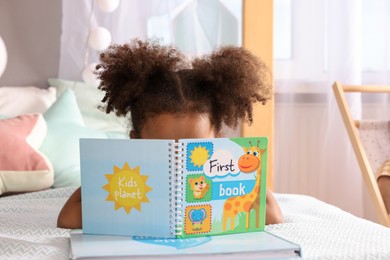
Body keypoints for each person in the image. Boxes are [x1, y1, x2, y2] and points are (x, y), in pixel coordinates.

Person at [57, 39, 284, 229]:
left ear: (218, 139)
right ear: (136, 141)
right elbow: (68, 219)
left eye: (194, 147)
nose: (178, 159)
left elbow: (273, 217)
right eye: (163, 148)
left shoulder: (224, 175)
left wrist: (250, 174)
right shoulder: (130, 178)